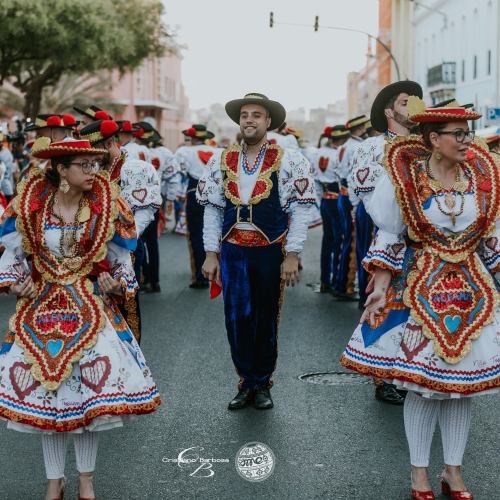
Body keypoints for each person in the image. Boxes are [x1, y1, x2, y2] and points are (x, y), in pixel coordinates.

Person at [340, 97, 500, 500]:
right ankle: (419, 474)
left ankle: (454, 472)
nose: (467, 141)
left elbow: (492, 238)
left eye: (469, 133)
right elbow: (390, 234)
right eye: (458, 134)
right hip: (418, 290)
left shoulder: (484, 175)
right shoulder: (405, 177)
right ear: (433, 138)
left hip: (470, 293)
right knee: (424, 386)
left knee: (460, 387)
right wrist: (379, 286)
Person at [0, 137, 160, 500]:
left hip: (90, 308)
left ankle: (86, 480)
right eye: (84, 165)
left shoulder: (108, 202)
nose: (93, 171)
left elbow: (123, 256)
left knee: (88, 397)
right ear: (61, 170)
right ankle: (53, 480)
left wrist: (117, 282)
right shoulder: (31, 202)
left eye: (95, 164)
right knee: (49, 395)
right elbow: (8, 250)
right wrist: (13, 283)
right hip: (41, 308)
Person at [197, 93, 315, 410]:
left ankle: (262, 384)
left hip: (269, 250)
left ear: (268, 122)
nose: (249, 119)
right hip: (233, 251)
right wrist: (211, 254)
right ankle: (245, 382)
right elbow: (211, 210)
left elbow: (301, 210)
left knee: (265, 319)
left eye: (256, 115)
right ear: (240, 121)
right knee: (236, 319)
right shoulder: (220, 160)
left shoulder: (289, 159)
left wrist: (292, 255)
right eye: (245, 115)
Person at [349, 81, 423, 405]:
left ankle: (412, 367)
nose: (414, 108)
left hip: (425, 237)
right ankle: (382, 375)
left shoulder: (427, 146)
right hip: (387, 229)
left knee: (419, 304)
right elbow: (372, 203)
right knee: (387, 299)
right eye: (407, 102)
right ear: (389, 111)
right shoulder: (372, 148)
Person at [80, 119, 161, 343]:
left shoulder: (136, 169)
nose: (92, 160)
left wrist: (126, 234)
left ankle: (132, 356)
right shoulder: (89, 170)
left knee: (126, 304)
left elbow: (146, 211)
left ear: (108, 143)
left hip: (127, 247)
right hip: (92, 250)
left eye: (95, 153)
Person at [175, 125, 216, 288]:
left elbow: (180, 172)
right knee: (214, 232)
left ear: (191, 138)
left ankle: (200, 276)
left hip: (194, 191)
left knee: (196, 235)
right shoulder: (217, 151)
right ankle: (216, 271)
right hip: (214, 193)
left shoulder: (185, 151)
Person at [311, 125, 349, 293]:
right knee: (340, 240)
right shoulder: (339, 154)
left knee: (327, 241)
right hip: (337, 198)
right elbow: (343, 179)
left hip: (326, 199)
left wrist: (321, 198)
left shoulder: (318, 153)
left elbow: (315, 180)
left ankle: (325, 279)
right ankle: (336, 280)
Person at [336, 115, 369, 300]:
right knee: (354, 240)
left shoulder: (342, 146)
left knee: (347, 238)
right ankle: (348, 286)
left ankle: (343, 283)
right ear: (362, 128)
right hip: (352, 194)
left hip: (342, 192)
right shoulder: (358, 146)